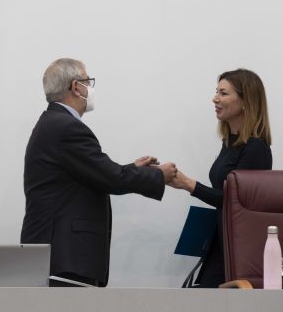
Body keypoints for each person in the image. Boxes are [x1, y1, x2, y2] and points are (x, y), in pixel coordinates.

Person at [20, 58, 177, 287]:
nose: (90, 89)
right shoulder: (67, 127)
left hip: (58, 255)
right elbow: (110, 178)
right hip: (66, 257)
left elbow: (95, 172)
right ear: (76, 87)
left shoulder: (52, 123)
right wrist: (158, 175)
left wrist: (133, 169)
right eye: (88, 82)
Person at [169, 68, 272, 288]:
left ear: (246, 101)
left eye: (224, 93)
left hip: (238, 250)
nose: (215, 98)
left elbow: (238, 202)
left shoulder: (256, 148)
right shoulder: (229, 143)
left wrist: (190, 185)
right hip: (220, 242)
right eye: (217, 92)